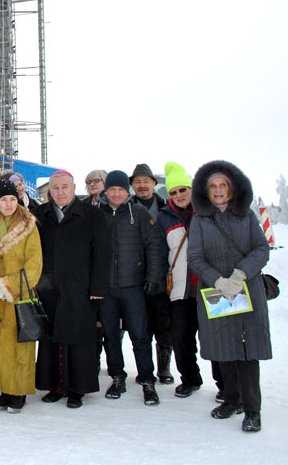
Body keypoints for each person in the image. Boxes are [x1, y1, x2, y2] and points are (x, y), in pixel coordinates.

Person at [188, 160, 271, 433]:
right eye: (213, 186)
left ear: (233, 188)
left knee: (248, 351)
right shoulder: (199, 220)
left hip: (246, 289)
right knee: (224, 349)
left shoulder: (246, 216)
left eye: (223, 185)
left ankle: (252, 410)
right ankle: (231, 399)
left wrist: (239, 275)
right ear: (205, 190)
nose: (219, 190)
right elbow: (195, 257)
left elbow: (261, 249)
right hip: (216, 291)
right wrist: (218, 280)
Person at [33, 171, 111, 409]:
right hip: (48, 288)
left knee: (78, 339)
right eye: (55, 188)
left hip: (81, 287)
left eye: (65, 187)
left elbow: (102, 252)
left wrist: (98, 286)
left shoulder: (92, 215)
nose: (60, 192)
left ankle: (77, 388)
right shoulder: (40, 215)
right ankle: (56, 386)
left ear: (74, 187)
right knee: (52, 337)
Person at [0, 178, 42, 413]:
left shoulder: (29, 225)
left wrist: (10, 285)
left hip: (19, 295)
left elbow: (35, 263)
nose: (9, 204)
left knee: (17, 345)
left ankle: (18, 391)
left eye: (13, 199)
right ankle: (3, 389)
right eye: (4, 199)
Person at [157, 162, 224, 399]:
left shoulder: (210, 212)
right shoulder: (164, 217)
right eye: (173, 192)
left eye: (182, 190)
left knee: (215, 338)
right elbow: (159, 252)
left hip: (212, 286)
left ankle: (223, 385)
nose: (178, 195)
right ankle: (190, 379)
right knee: (181, 338)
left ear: (192, 188)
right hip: (181, 289)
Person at [97, 170, 163, 406]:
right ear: (106, 191)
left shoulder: (139, 213)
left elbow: (153, 246)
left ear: (128, 192)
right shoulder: (96, 214)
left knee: (140, 335)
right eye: (112, 189)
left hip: (133, 286)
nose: (116, 194)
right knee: (111, 335)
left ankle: (147, 380)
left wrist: (153, 277)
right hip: (106, 288)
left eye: (121, 190)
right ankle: (117, 377)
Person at [131, 163, 174, 385]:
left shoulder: (166, 209)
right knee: (141, 326)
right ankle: (144, 369)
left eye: (146, 181)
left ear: (154, 184)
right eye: (137, 182)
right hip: (136, 277)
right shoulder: (127, 208)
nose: (142, 186)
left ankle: (164, 369)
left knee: (164, 325)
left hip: (163, 276)